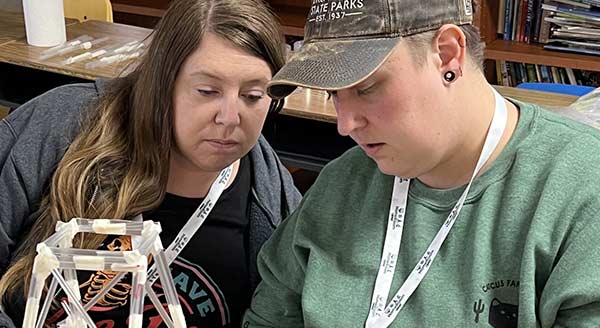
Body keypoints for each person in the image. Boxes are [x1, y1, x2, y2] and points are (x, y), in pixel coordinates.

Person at [243, 0, 600, 326]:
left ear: (448, 55)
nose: (344, 124)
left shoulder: (580, 192)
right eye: (334, 93)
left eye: (365, 87)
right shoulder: (340, 185)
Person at [0, 0, 301, 326]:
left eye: (253, 96)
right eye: (206, 91)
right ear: (161, 84)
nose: (229, 118)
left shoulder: (273, 202)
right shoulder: (55, 129)